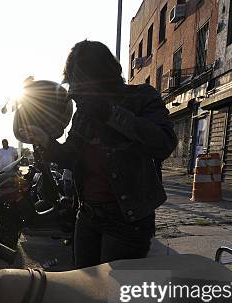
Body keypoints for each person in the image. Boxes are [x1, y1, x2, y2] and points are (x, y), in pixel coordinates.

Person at [23, 40, 177, 268]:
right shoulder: (83, 114)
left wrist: (109, 113)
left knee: (112, 294)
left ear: (101, 80)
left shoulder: (141, 98)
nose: (78, 100)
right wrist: (46, 141)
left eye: (82, 91)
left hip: (127, 220)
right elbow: (69, 156)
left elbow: (164, 143)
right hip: (88, 216)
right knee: (85, 287)